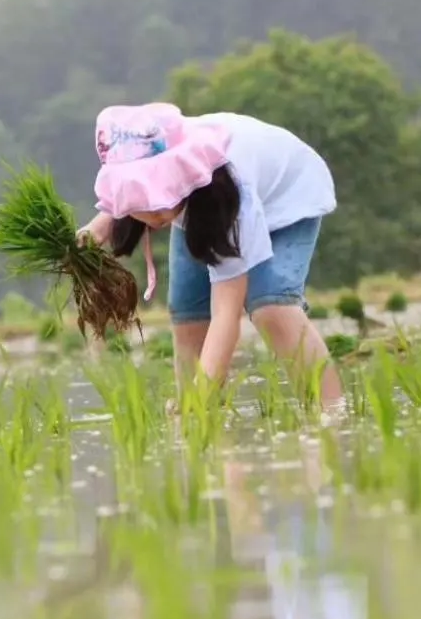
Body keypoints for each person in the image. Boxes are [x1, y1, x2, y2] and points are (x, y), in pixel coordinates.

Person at [78, 103, 344, 406]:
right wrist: (94, 231)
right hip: (202, 205)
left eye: (156, 197)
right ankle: (201, 423)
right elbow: (122, 201)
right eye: (140, 203)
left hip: (286, 199)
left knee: (270, 304)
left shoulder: (228, 195)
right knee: (187, 309)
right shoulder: (155, 181)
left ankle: (331, 411)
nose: (152, 216)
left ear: (179, 173)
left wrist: (199, 402)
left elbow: (226, 315)